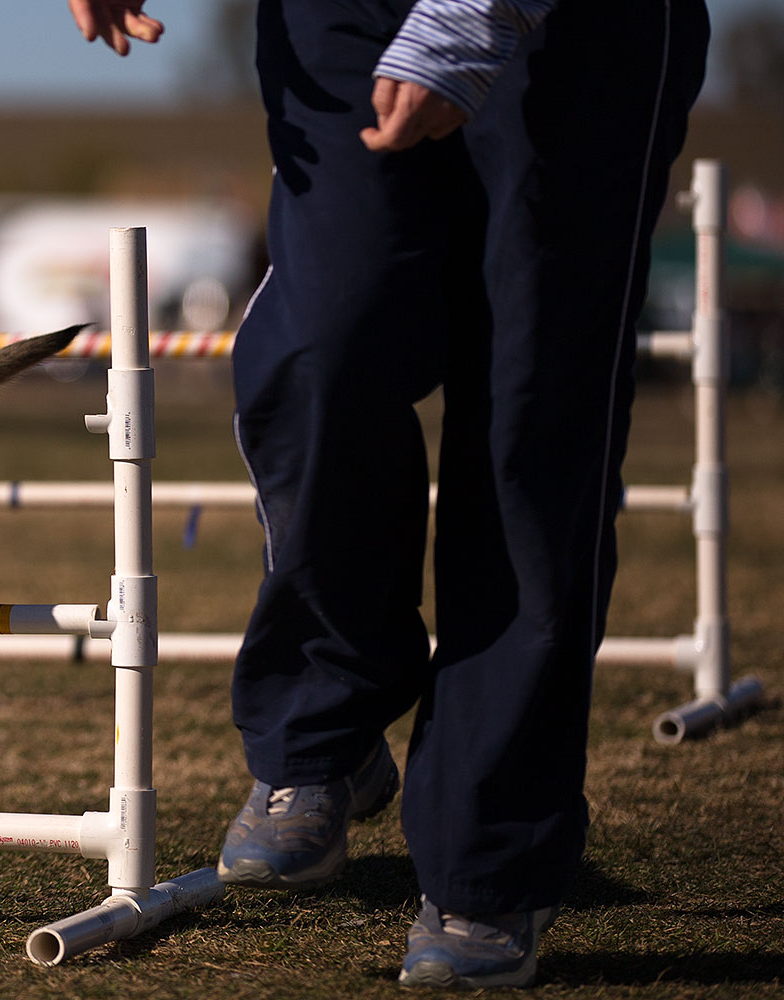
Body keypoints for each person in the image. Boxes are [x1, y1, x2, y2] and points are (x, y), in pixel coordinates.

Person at [69, 0, 708, 989]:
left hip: (572, 29)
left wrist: (466, 23)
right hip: (339, 18)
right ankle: (328, 717)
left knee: (531, 414)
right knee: (321, 348)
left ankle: (488, 859)